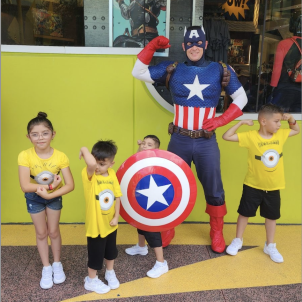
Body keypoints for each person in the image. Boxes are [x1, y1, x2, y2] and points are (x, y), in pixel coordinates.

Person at [132, 26, 248, 253]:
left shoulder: (219, 69)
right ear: (184, 46)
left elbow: (241, 97)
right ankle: (168, 227)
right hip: (179, 140)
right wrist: (152, 45)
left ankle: (216, 231)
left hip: (206, 141)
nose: (194, 47)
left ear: (205, 45)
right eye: (189, 44)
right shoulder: (173, 69)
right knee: (169, 185)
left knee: (214, 188)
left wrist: (222, 120)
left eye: (198, 43)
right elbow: (138, 72)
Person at [222, 104, 300, 262]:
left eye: (280, 121)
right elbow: (227, 136)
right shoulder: (251, 136)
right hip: (252, 185)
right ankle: (238, 240)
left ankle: (270, 245)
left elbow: (296, 130)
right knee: (244, 213)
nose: (279, 124)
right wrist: (241, 123)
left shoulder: (281, 135)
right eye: (277, 121)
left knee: (271, 217)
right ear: (263, 121)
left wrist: (291, 118)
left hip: (273, 186)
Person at [18, 112, 74, 289]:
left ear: (53, 134)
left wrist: (51, 194)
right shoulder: (24, 155)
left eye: (44, 133)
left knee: (54, 231)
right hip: (35, 197)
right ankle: (46, 267)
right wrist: (50, 189)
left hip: (53, 198)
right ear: (28, 137)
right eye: (35, 134)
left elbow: (70, 184)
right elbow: (26, 185)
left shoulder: (60, 156)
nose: (40, 138)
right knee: (41, 233)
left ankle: (57, 264)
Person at [79, 140, 121, 294]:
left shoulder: (112, 173)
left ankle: (110, 272)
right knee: (95, 255)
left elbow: (117, 197)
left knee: (111, 252)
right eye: (95, 162)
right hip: (96, 225)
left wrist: (116, 217)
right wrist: (84, 148)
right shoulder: (89, 175)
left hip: (110, 223)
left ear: (111, 163)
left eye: (102, 164)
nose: (97, 166)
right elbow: (90, 164)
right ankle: (91, 280)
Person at [125, 135, 169, 278]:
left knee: (151, 229)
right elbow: (137, 157)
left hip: (155, 202)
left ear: (157, 149)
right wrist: (141, 146)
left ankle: (161, 263)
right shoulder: (141, 159)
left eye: (149, 144)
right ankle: (141, 247)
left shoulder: (158, 162)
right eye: (143, 143)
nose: (144, 146)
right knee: (140, 222)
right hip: (142, 198)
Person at [269, 15, 301, 112]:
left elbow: (277, 69)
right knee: (298, 122)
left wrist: (273, 87)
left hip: (285, 88)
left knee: (277, 118)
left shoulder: (284, 43)